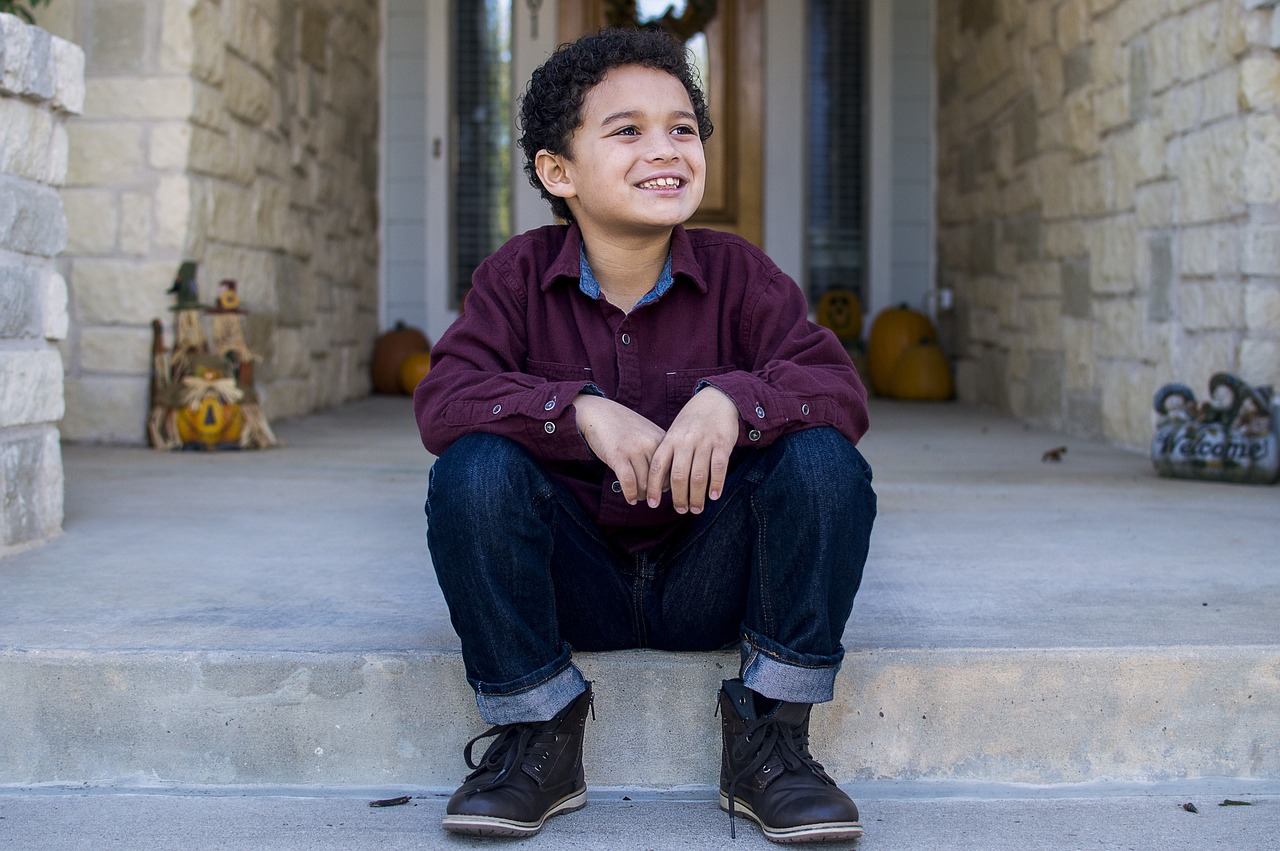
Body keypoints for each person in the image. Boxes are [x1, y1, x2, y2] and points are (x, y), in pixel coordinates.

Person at [414, 26, 876, 844]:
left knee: (824, 461)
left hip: (712, 572)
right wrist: (575, 409)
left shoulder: (742, 275)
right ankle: (538, 731)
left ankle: (771, 737)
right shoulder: (514, 277)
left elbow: (836, 389)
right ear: (559, 172)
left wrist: (733, 399)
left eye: (682, 128)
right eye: (627, 130)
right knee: (473, 469)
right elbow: (446, 399)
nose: (665, 148)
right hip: (573, 579)